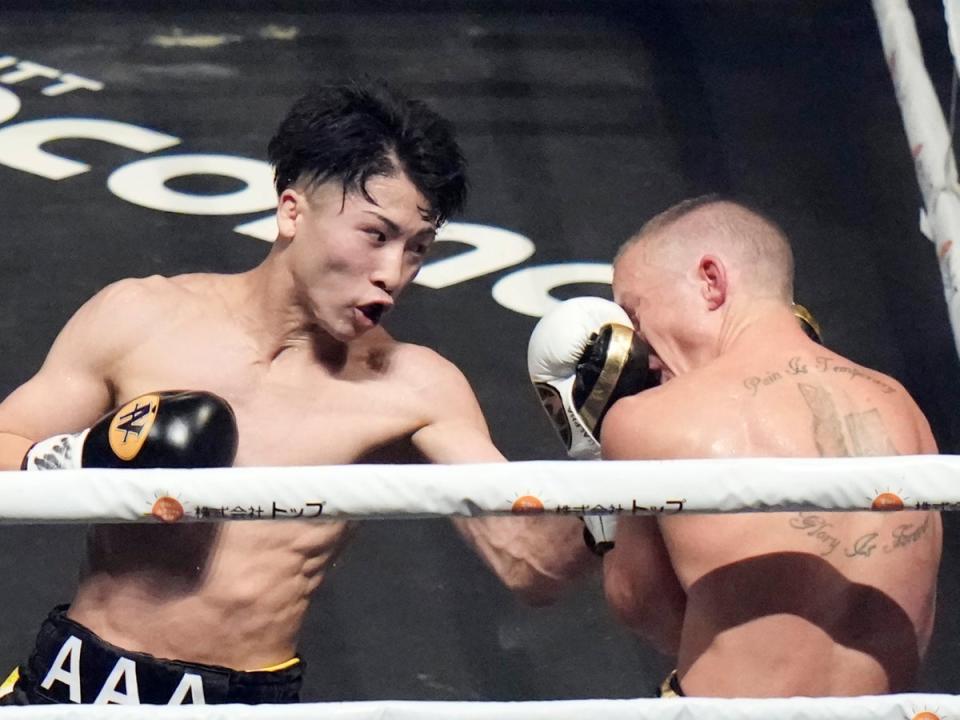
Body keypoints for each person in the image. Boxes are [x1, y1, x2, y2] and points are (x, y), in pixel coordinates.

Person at [0, 80, 590, 705]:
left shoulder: (415, 388)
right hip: (65, 687)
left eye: (418, 248)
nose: (393, 274)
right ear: (291, 211)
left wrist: (604, 456)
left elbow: (529, 566)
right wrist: (78, 460)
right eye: (375, 234)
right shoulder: (139, 317)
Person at [529, 196, 941, 697]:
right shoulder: (900, 405)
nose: (641, 351)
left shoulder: (653, 421)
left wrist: (597, 460)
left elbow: (643, 606)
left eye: (636, 314)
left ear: (711, 280)